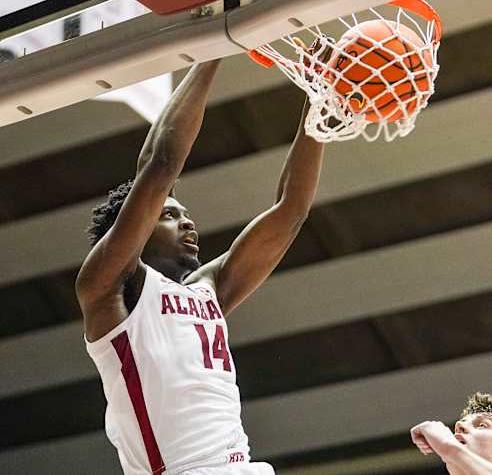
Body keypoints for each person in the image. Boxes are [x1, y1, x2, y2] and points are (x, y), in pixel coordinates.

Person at [76, 54, 325, 475]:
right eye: (168, 214)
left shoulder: (208, 287)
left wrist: (321, 102)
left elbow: (291, 210)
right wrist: (214, 47)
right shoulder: (109, 288)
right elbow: (159, 165)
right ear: (132, 230)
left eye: (184, 212)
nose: (187, 220)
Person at [410, 392, 492, 475]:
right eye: (461, 422)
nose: (459, 426)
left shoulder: (450, 448)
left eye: (482, 425)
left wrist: (449, 448)